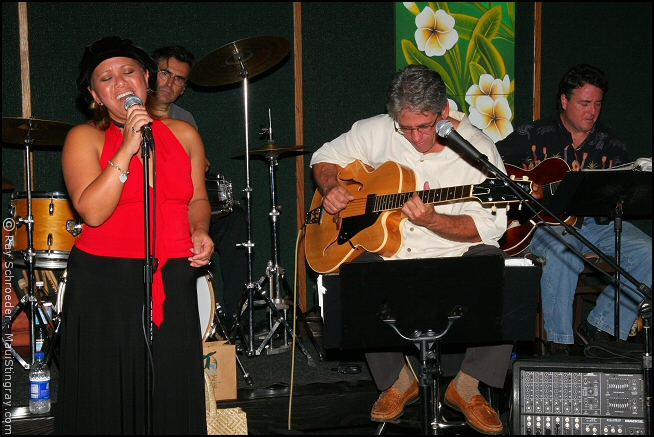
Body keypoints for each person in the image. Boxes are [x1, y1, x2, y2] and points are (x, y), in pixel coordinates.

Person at [310, 64, 512, 434]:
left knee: (497, 267)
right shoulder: (377, 129)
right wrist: (329, 187)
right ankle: (398, 382)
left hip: (451, 254)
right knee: (355, 272)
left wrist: (435, 221)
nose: (416, 137)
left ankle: (467, 386)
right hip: (391, 253)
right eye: (406, 128)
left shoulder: (478, 150)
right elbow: (323, 157)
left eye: (425, 126)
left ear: (445, 112)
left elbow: (490, 228)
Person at [55, 36, 213, 434]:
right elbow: (92, 211)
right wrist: (126, 149)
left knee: (172, 386)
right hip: (104, 282)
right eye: (106, 78)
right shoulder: (83, 138)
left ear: (145, 78)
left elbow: (197, 199)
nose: (121, 83)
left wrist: (200, 230)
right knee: (106, 394)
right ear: (94, 94)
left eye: (128, 72)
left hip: (174, 272)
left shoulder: (184, 133)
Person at [496, 64, 652, 356]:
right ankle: (560, 345)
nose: (592, 111)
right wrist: (524, 186)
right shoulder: (533, 134)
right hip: (543, 225)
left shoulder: (611, 143)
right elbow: (491, 166)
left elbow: (618, 197)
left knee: (649, 252)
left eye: (597, 104)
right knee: (564, 253)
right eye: (584, 103)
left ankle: (599, 328)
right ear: (565, 101)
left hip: (596, 223)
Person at [151, 45, 249, 324]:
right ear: (150, 75)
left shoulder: (185, 120)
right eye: (165, 73)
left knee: (237, 221)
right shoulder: (127, 112)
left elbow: (196, 176)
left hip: (185, 208)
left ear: (183, 88)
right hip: (150, 213)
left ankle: (234, 318)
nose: (170, 83)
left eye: (179, 79)